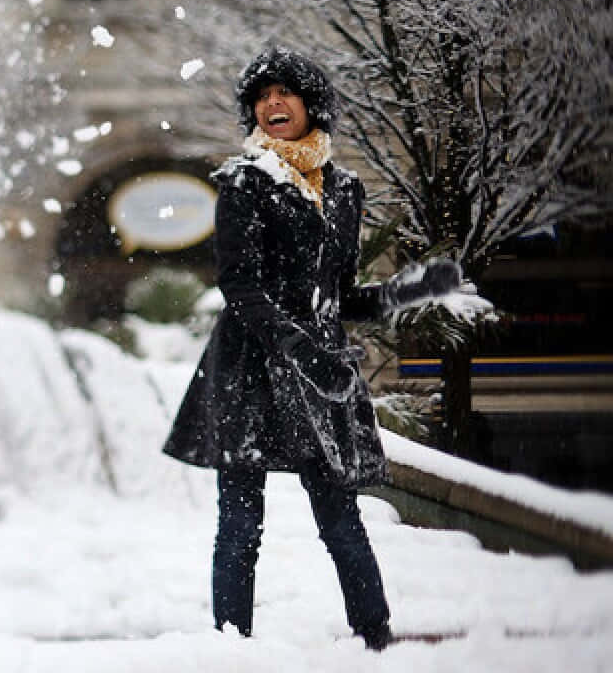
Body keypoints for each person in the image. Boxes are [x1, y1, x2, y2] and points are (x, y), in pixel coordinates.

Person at [161, 46, 461, 650]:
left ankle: (375, 636)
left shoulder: (345, 190)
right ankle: (230, 645)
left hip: (317, 377)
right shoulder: (244, 182)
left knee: (340, 516)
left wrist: (409, 290)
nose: (273, 103)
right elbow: (240, 285)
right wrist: (299, 347)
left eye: (285, 92)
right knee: (241, 521)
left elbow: (340, 296)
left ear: (311, 105)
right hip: (250, 367)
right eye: (262, 96)